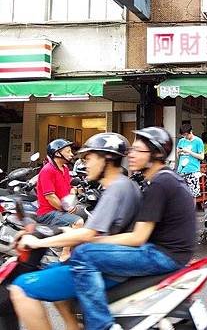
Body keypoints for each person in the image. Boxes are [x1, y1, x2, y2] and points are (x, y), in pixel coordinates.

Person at [64, 127, 197, 330]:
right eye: (131, 150)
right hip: (172, 253)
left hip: (163, 255)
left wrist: (92, 240)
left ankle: (101, 325)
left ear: (156, 154)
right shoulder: (163, 179)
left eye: (137, 151)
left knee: (84, 254)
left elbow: (138, 238)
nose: (130, 155)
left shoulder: (160, 183)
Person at [10, 133, 142, 330]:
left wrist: (37, 242)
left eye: (88, 158)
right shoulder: (125, 185)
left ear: (106, 159)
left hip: (103, 267)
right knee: (52, 272)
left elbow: (88, 234)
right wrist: (45, 232)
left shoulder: (116, 188)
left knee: (21, 287)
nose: (83, 164)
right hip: (108, 262)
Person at [36, 138, 85, 261]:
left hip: (60, 210)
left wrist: (75, 190)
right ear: (58, 153)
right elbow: (50, 197)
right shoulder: (47, 170)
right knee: (78, 222)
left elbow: (68, 188)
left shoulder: (65, 169)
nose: (71, 154)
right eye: (68, 151)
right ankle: (65, 253)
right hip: (48, 213)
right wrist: (65, 209)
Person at [176, 124, 205, 197]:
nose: (185, 137)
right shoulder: (181, 141)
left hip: (193, 171)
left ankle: (192, 209)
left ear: (191, 131)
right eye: (183, 135)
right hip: (181, 171)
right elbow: (178, 157)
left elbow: (202, 157)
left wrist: (189, 152)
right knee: (180, 195)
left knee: (193, 195)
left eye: (186, 135)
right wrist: (178, 152)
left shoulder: (198, 141)